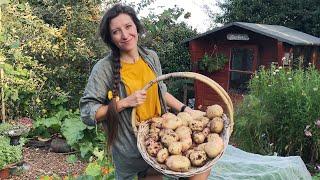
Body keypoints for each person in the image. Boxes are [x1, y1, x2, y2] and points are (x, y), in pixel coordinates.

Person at [80, 4, 211, 180]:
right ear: (110, 38)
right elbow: (88, 114)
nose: (125, 35)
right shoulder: (104, 68)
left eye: (128, 27)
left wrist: (186, 110)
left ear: (136, 26)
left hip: (160, 139)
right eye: (116, 31)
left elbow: (161, 92)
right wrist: (125, 102)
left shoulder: (151, 57)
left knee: (201, 171)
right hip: (130, 150)